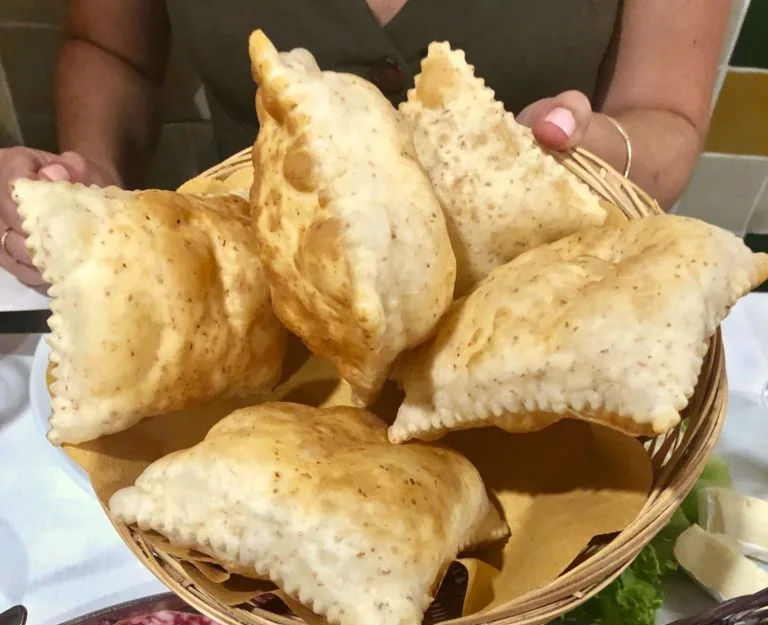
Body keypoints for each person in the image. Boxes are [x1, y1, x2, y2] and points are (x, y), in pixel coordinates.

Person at [0, 0, 729, 288]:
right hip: (243, 296)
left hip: (529, 303)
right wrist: (92, 172)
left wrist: (601, 154)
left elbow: (662, 112)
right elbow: (111, 49)